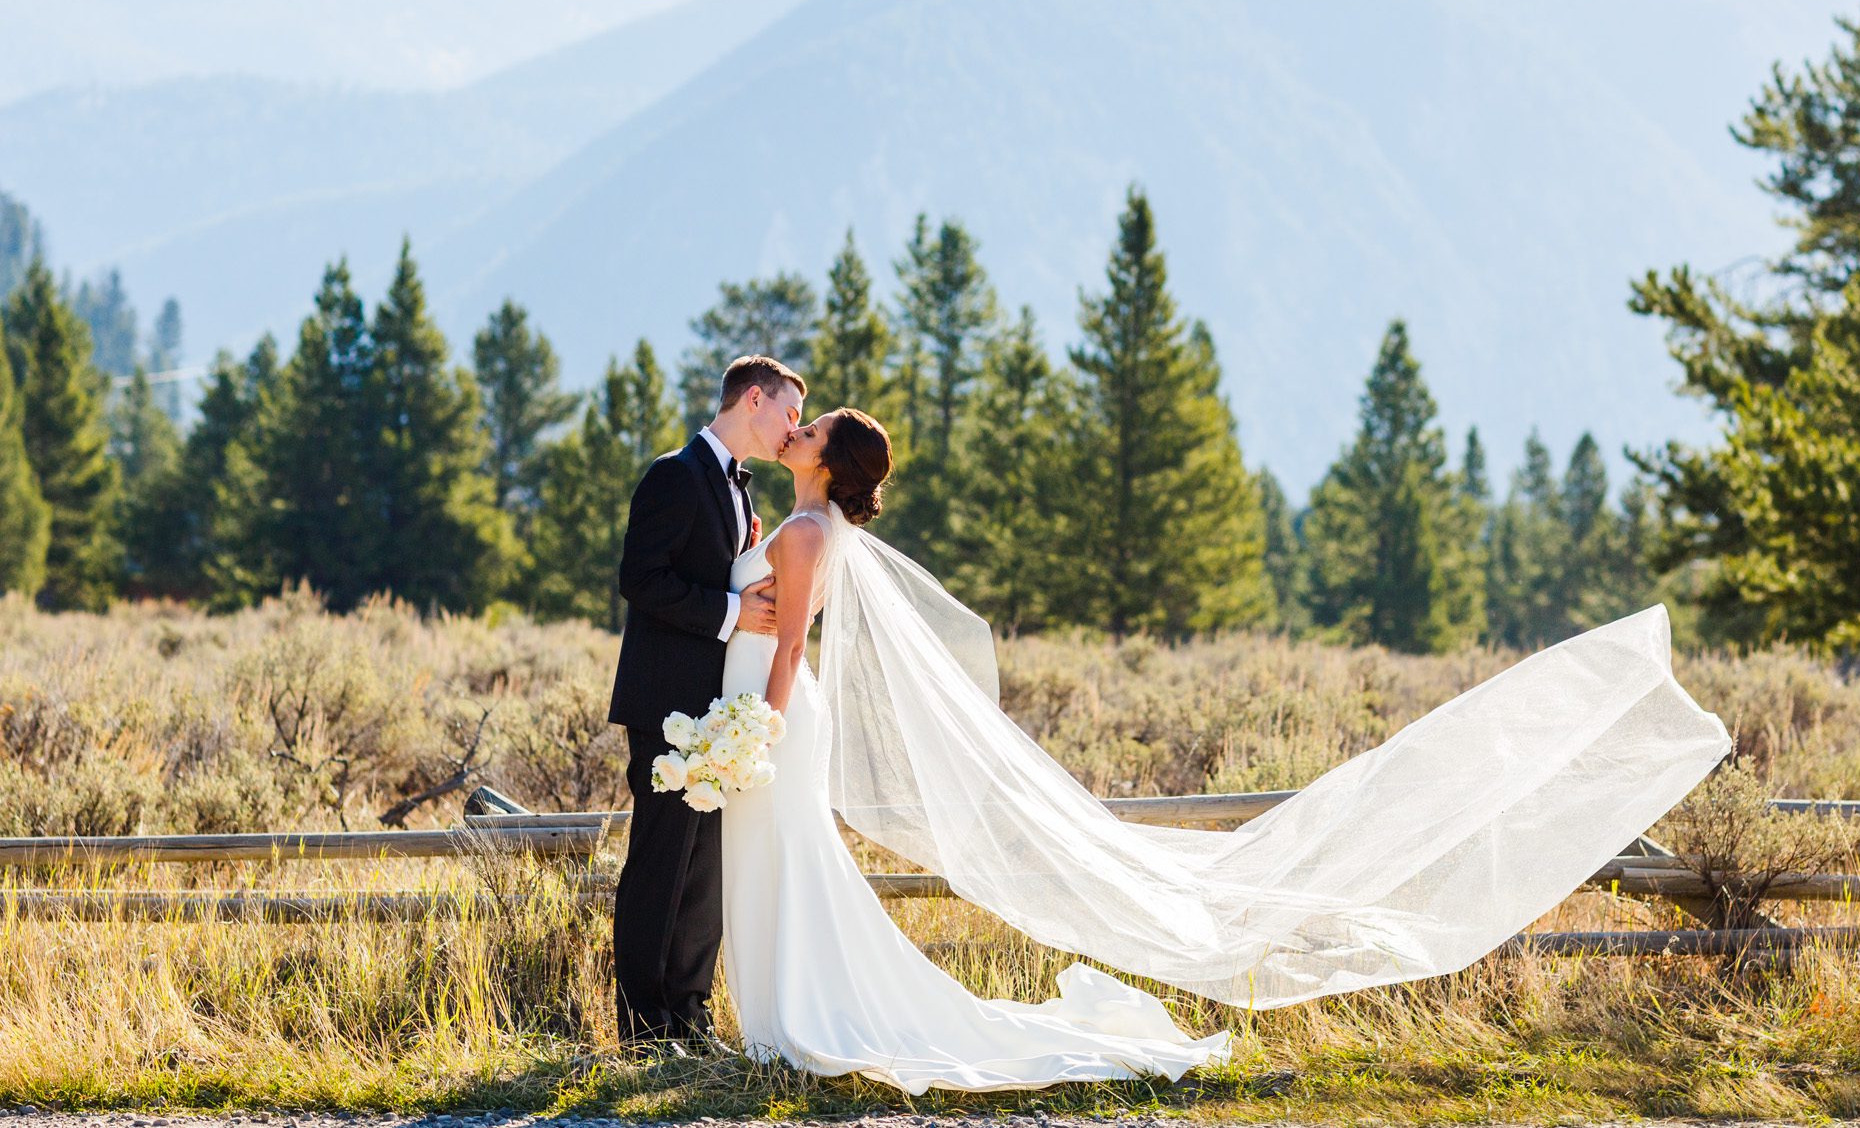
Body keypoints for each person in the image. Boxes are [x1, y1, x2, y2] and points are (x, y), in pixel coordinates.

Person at [705, 405, 1731, 1092]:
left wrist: (761, 726)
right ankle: (784, 1017)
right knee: (784, 860)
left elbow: (793, 642)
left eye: (813, 426)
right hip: (774, 709)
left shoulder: (805, 536)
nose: (796, 427)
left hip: (779, 713)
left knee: (792, 858)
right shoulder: (802, 525)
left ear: (829, 462)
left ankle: (797, 1019)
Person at [605, 355, 803, 1055]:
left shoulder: (742, 494)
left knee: (703, 869)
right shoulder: (674, 474)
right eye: (789, 412)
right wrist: (730, 612)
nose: (792, 429)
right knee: (659, 863)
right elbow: (640, 577)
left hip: (717, 713)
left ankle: (689, 1014)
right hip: (665, 707)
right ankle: (642, 1029)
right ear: (753, 398)